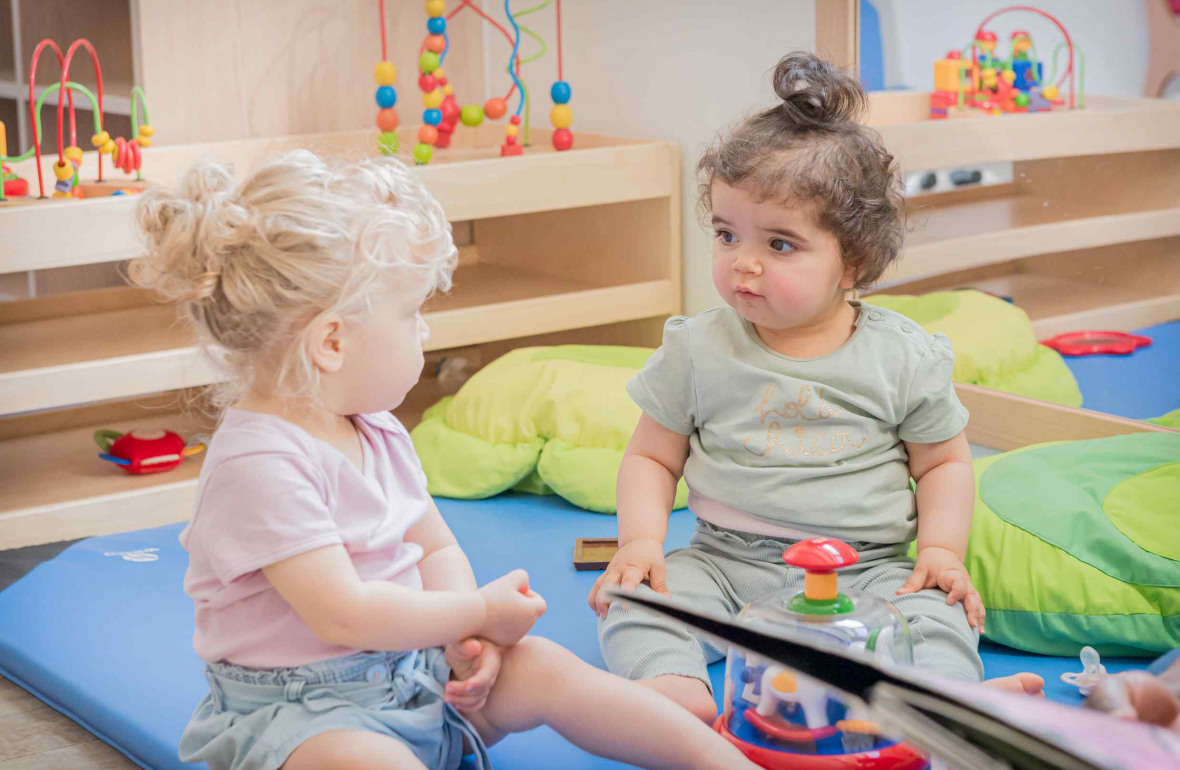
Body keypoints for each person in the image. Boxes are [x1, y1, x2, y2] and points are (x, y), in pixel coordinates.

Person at [134, 151, 765, 770]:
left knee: (544, 666)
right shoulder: (260, 464)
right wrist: (478, 612)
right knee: (362, 760)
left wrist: (471, 645)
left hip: (415, 674)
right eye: (412, 315)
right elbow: (343, 612)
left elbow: (433, 548)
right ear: (332, 341)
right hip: (304, 716)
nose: (426, 333)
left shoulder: (375, 429)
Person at [589, 52, 1043, 724]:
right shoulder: (697, 348)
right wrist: (640, 544)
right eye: (725, 233)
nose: (742, 261)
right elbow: (653, 457)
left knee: (938, 614)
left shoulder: (903, 356)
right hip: (723, 561)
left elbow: (943, 461)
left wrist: (941, 553)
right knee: (634, 605)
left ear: (852, 261)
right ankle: (676, 693)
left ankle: (954, 706)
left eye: (779, 245)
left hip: (868, 570)